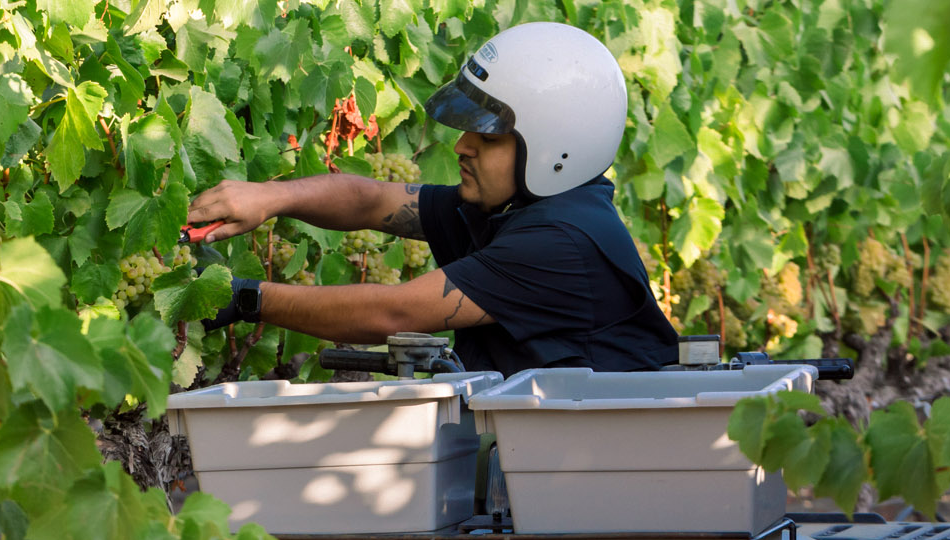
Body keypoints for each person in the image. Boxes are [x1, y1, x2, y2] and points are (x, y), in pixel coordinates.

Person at [190, 21, 679, 377]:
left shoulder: (560, 243)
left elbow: (393, 313)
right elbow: (370, 202)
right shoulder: (518, 207)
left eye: (487, 138)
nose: (462, 146)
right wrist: (267, 197)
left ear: (555, 149)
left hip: (593, 486)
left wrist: (244, 298)